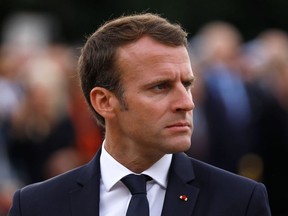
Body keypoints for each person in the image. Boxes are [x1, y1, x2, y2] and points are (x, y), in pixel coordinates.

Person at [8, 12, 271, 216]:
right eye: (160, 87)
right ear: (104, 101)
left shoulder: (239, 201)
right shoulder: (36, 206)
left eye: (187, 84)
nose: (186, 103)